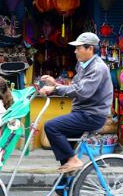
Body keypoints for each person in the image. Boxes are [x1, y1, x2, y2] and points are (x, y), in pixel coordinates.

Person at [39, 32, 113, 175]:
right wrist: (55, 84)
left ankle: (73, 161)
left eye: (78, 48)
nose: (75, 51)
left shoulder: (97, 68)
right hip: (82, 113)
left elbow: (82, 91)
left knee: (51, 126)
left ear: (90, 49)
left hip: (91, 115)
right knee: (65, 151)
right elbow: (76, 86)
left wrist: (55, 89)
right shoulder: (83, 65)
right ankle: (63, 191)